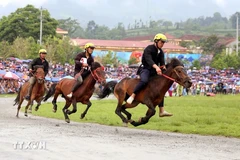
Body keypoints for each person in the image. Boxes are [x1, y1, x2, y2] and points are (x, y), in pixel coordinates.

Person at [126, 33, 173, 117]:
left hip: (153, 71)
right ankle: (133, 96)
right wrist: (156, 67)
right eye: (161, 42)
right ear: (156, 41)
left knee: (160, 88)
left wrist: (164, 69)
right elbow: (149, 60)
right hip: (145, 69)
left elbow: (162, 64)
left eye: (163, 42)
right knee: (144, 81)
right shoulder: (149, 49)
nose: (162, 44)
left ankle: (161, 111)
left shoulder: (161, 52)